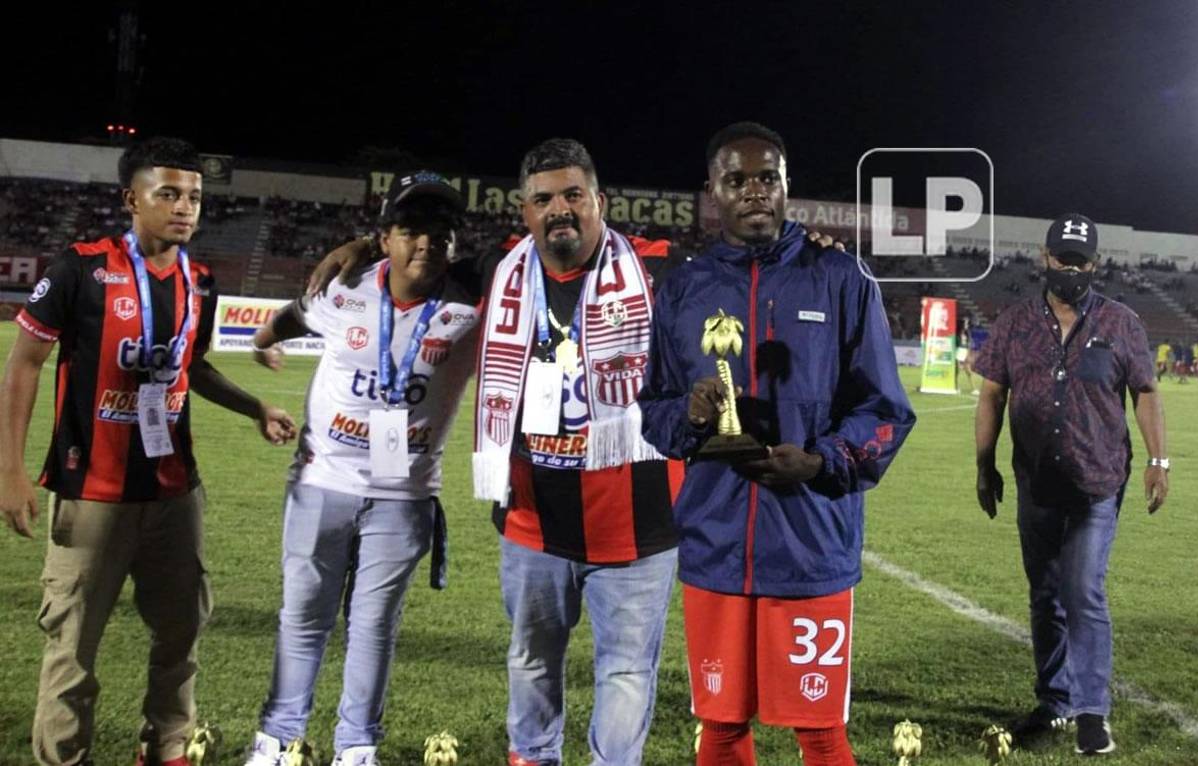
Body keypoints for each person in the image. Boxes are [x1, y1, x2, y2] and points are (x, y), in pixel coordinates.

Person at [311, 139, 686, 766]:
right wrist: (358, 249)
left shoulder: (663, 268)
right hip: (533, 518)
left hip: (637, 519)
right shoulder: (497, 269)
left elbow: (741, 273)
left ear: (600, 201)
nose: (559, 209)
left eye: (573, 194)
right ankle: (534, 756)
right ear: (524, 209)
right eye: (543, 199)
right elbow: (411, 267)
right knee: (532, 658)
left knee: (626, 672)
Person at [0, 137, 297, 766]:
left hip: (173, 492)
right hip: (92, 494)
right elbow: (24, 363)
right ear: (131, 198)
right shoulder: (80, 267)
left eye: (193, 195)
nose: (185, 206)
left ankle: (166, 746)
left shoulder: (200, 279)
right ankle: (62, 755)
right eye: (169, 193)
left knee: (181, 633)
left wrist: (257, 408)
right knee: (74, 645)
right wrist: (10, 471)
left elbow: (193, 368)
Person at [638, 122, 916, 766]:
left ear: (787, 185)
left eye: (768, 178)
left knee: (818, 732)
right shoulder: (682, 289)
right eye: (737, 179)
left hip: (812, 542)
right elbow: (652, 411)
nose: (755, 191)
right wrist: (691, 412)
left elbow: (885, 411)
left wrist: (822, 461)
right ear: (713, 190)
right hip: (715, 541)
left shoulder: (841, 278)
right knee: (722, 726)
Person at [240, 173, 477, 766]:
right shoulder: (342, 288)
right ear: (385, 237)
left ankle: (356, 745)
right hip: (322, 481)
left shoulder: (474, 300)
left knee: (374, 626)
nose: (427, 242)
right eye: (412, 230)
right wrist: (262, 339)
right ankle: (276, 736)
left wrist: (366, 243)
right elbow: (291, 318)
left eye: (441, 231)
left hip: (405, 495)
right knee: (303, 617)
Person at [974, 213, 1169, 756]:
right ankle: (1054, 699)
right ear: (1045, 257)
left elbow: (1146, 392)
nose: (1071, 268)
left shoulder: (1122, 322)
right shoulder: (1014, 322)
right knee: (1044, 596)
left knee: (1082, 591)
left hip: (1096, 483)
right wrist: (983, 464)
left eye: (1081, 261)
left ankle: (1091, 712)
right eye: (1063, 258)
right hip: (1035, 482)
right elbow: (992, 393)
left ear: (1095, 263)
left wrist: (1161, 460)